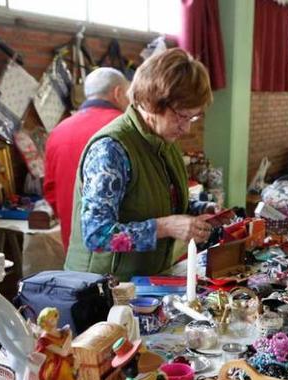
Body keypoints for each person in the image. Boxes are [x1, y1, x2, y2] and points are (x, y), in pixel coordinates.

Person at [64, 48, 217, 281]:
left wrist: (199, 211)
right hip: (99, 290)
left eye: (192, 117)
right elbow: (97, 234)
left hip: (143, 282)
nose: (186, 128)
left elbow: (157, 201)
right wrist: (166, 227)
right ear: (150, 101)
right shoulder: (111, 149)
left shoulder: (162, 142)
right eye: (181, 116)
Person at [44, 67, 130, 253]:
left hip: (74, 244)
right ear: (118, 92)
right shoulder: (126, 128)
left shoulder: (58, 131)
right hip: (119, 249)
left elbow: (50, 190)